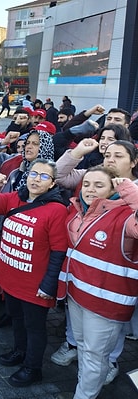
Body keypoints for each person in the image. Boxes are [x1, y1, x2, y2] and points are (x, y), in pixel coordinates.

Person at [0, 158, 68, 387]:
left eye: (44, 176)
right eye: (34, 174)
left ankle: (33, 367)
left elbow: (59, 251)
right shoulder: (16, 198)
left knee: (34, 326)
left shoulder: (56, 210)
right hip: (10, 275)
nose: (37, 179)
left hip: (34, 282)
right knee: (16, 318)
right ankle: (19, 351)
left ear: (53, 183)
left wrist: (49, 284)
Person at [57, 167, 138, 399]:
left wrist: (130, 190)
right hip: (76, 295)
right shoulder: (77, 211)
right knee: (83, 347)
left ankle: (84, 396)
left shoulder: (126, 218)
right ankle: (85, 387)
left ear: (115, 189)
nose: (91, 190)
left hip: (105, 304)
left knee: (95, 354)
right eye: (87, 184)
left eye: (99, 185)